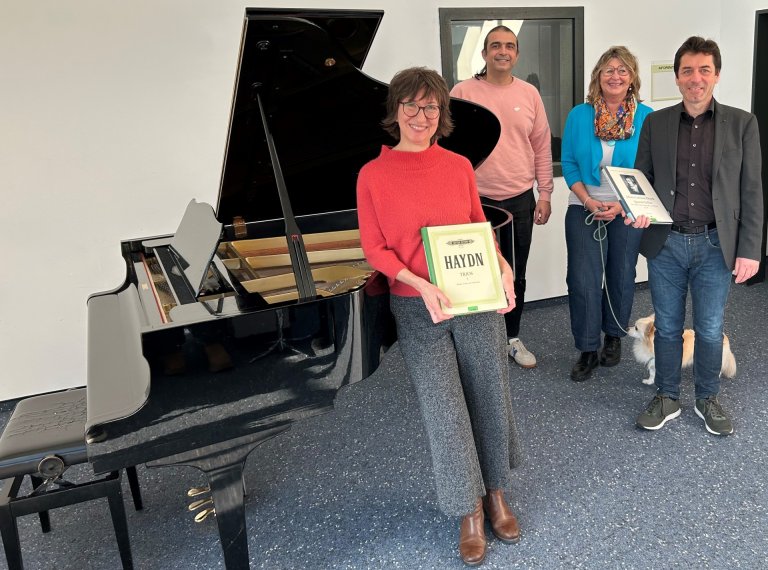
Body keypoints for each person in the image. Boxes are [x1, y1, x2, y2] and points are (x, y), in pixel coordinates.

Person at [356, 67, 524, 566]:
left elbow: (478, 224)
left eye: (431, 107)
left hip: (474, 300)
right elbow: (374, 249)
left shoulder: (456, 166)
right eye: (410, 105)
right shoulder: (372, 175)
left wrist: (502, 264)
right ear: (395, 111)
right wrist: (419, 283)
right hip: (416, 305)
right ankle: (468, 509)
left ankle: (495, 493)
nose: (420, 116)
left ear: (441, 115)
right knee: (445, 411)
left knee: (490, 393)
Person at [633, 36, 763, 435]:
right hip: (667, 242)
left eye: (704, 69)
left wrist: (751, 250)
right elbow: (642, 180)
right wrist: (638, 210)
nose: (696, 78)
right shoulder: (656, 123)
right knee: (668, 327)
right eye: (688, 70)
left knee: (709, 328)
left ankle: (707, 397)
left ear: (717, 75)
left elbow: (752, 189)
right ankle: (668, 395)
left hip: (715, 244)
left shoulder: (743, 124)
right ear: (677, 77)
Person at [450, 25, 554, 369]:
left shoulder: (529, 94)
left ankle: (511, 337)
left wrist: (546, 194)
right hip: (475, 201)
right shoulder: (463, 92)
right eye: (496, 45)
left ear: (517, 54)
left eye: (510, 46)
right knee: (473, 276)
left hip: (521, 199)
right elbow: (449, 150)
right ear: (484, 53)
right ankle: (477, 344)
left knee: (515, 274)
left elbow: (541, 147)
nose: (503, 51)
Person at [561, 46, 653, 382]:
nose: (615, 76)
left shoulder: (645, 116)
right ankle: (587, 348)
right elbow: (569, 162)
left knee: (621, 273)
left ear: (632, 79)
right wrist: (587, 201)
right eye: (608, 70)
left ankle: (613, 336)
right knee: (583, 280)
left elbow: (649, 167)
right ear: (598, 77)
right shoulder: (579, 115)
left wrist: (622, 206)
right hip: (584, 204)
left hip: (627, 208)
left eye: (623, 70)